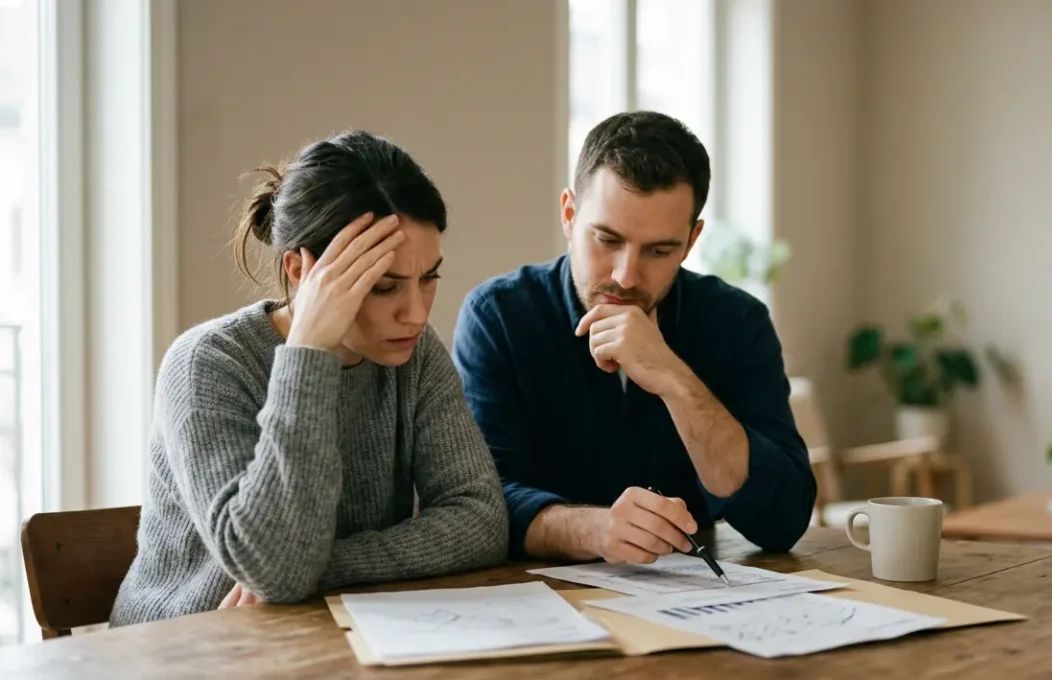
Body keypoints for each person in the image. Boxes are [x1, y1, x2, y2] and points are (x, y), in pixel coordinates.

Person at [110, 131, 508, 626]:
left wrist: (323, 567)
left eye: (429, 278)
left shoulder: (414, 354)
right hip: (182, 645)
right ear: (299, 269)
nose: (415, 313)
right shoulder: (207, 364)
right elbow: (276, 569)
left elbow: (482, 520)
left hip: (315, 630)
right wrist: (308, 353)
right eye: (383, 286)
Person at [452, 111, 815, 565]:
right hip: (531, 604)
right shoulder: (499, 317)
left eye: (659, 251)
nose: (626, 276)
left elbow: (782, 519)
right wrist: (595, 531)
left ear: (691, 239)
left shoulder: (737, 322)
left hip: (695, 604)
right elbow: (481, 506)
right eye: (607, 240)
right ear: (569, 214)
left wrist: (673, 378)